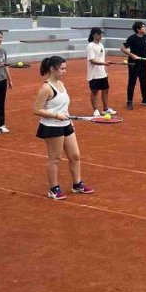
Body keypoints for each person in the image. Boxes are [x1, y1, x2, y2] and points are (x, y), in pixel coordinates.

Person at [33, 55, 94, 200]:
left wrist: (68, 119)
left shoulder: (61, 84)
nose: (65, 71)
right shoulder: (46, 88)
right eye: (62, 69)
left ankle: (77, 184)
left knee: (75, 155)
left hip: (66, 124)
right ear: (53, 69)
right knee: (55, 158)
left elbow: (63, 106)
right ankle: (53, 189)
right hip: (52, 126)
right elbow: (36, 109)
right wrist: (55, 116)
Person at [122, 21, 146, 110]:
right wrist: (132, 55)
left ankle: (145, 99)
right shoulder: (132, 38)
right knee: (132, 82)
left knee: (144, 82)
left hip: (144, 63)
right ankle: (129, 101)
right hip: (134, 64)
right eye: (144, 27)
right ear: (138, 29)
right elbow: (122, 48)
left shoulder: (145, 37)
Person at [86, 27, 116, 117]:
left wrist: (105, 69)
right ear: (94, 35)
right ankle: (95, 110)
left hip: (102, 73)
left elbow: (102, 59)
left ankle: (105, 109)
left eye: (101, 34)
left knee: (105, 90)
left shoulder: (101, 45)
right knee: (94, 91)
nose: (100, 36)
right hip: (94, 74)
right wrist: (104, 63)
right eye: (99, 34)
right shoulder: (90, 46)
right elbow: (92, 60)